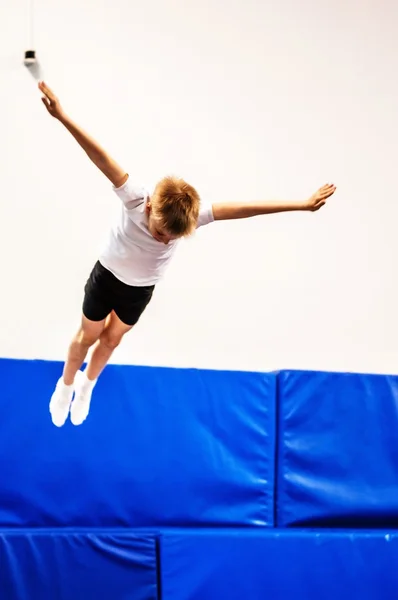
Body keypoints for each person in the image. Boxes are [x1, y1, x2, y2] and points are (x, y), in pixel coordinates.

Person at [38, 81, 336, 427]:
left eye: (172, 238)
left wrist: (300, 204)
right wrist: (62, 116)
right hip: (108, 275)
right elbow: (99, 156)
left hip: (140, 287)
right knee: (88, 335)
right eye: (161, 233)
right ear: (151, 207)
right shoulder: (135, 197)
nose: (165, 241)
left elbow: (245, 207)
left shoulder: (193, 215)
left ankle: (88, 386)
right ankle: (66, 384)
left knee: (112, 339)